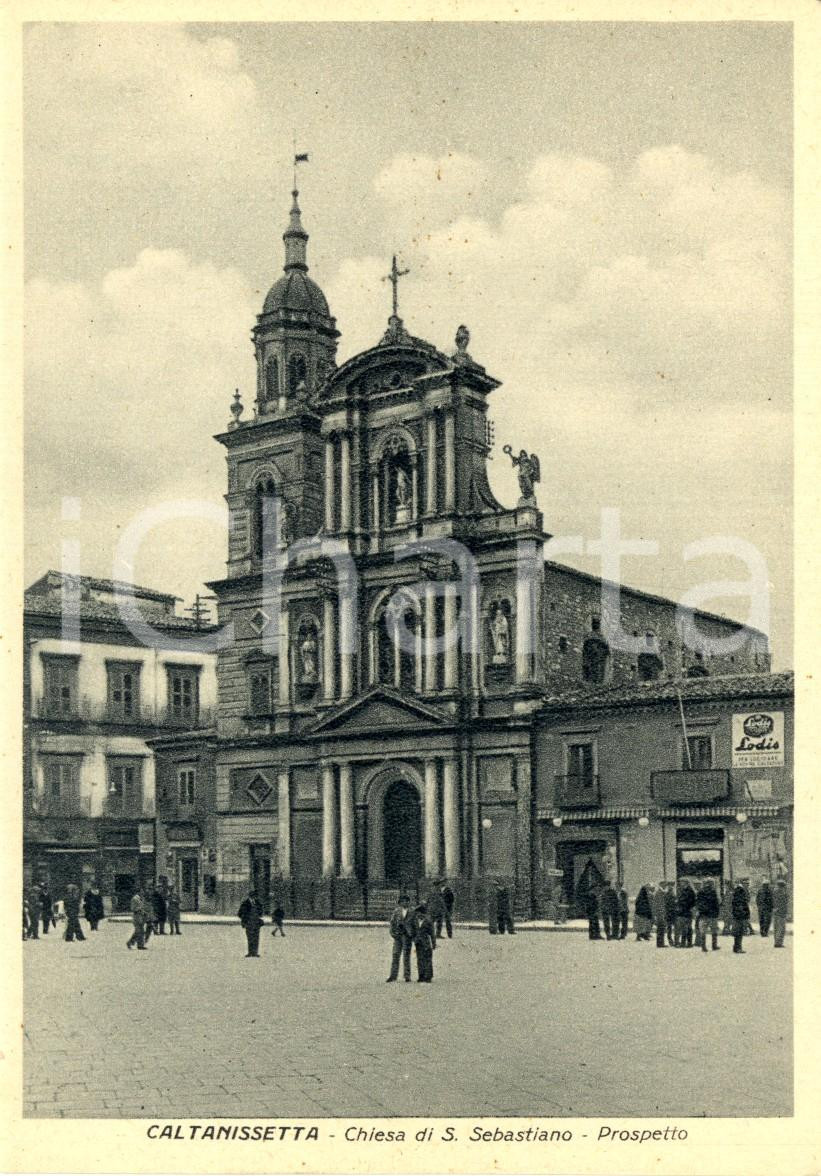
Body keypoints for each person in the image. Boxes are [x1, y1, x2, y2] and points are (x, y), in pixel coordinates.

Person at [386, 894, 412, 982]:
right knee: (395, 955)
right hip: (398, 936)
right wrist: (393, 933)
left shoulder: (412, 912)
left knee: (406, 956)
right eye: (404, 901)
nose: (406, 903)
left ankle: (407, 975)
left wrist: (411, 934)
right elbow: (392, 923)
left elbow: (415, 924)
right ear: (400, 903)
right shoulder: (396, 911)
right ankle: (393, 975)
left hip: (407, 936)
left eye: (407, 901)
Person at [409, 902, 435, 982]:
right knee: (420, 959)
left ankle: (428, 976)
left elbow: (432, 933)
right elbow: (412, 930)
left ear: (423, 913)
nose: (418, 915)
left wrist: (433, 943)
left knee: (427, 959)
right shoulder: (415, 921)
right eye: (417, 913)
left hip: (426, 942)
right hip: (418, 942)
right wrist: (413, 938)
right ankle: (421, 975)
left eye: (419, 913)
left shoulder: (428, 921)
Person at [695, 878, 721, 951]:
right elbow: (716, 903)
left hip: (703, 914)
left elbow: (698, 903)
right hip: (712, 914)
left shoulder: (700, 892)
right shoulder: (713, 892)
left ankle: (703, 947)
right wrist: (717, 913)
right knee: (714, 930)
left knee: (703, 931)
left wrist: (701, 911)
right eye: (712, 883)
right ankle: (714, 946)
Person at [237, 889, 264, 957]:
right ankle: (250, 952)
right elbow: (239, 913)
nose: (255, 897)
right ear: (251, 896)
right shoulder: (245, 903)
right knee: (250, 938)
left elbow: (261, 913)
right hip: (249, 923)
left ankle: (255, 952)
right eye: (254, 896)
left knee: (256, 938)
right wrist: (245, 919)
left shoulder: (258, 903)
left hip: (256, 923)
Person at [674, 880, 696, 948]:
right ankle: (687, 943)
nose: (681, 883)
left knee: (686, 928)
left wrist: (680, 904)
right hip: (684, 912)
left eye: (682, 882)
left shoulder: (688, 891)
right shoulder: (684, 890)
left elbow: (690, 902)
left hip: (685, 912)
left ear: (686, 883)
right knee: (686, 928)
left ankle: (686, 943)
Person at [731, 883, 750, 954]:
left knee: (737, 933)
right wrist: (746, 915)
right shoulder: (741, 897)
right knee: (739, 933)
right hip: (740, 917)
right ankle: (738, 947)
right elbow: (744, 907)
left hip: (736, 917)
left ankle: (736, 947)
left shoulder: (735, 897)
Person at [772, 879, 789, 948]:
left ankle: (776, 941)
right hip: (781, 912)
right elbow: (785, 903)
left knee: (776, 927)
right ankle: (779, 943)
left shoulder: (774, 892)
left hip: (775, 912)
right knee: (781, 928)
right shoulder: (783, 893)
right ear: (783, 886)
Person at [651, 883, 668, 948]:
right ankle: (660, 943)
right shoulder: (660, 893)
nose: (665, 886)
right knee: (661, 928)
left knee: (661, 928)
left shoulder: (659, 892)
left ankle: (660, 943)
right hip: (660, 913)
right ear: (662, 885)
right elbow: (661, 904)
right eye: (665, 885)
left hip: (659, 913)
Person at [663, 882, 677, 946]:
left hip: (673, 913)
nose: (671, 887)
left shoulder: (673, 894)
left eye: (672, 886)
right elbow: (666, 904)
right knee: (669, 928)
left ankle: (674, 940)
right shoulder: (667, 894)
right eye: (670, 886)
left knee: (674, 927)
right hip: (669, 913)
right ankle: (670, 941)